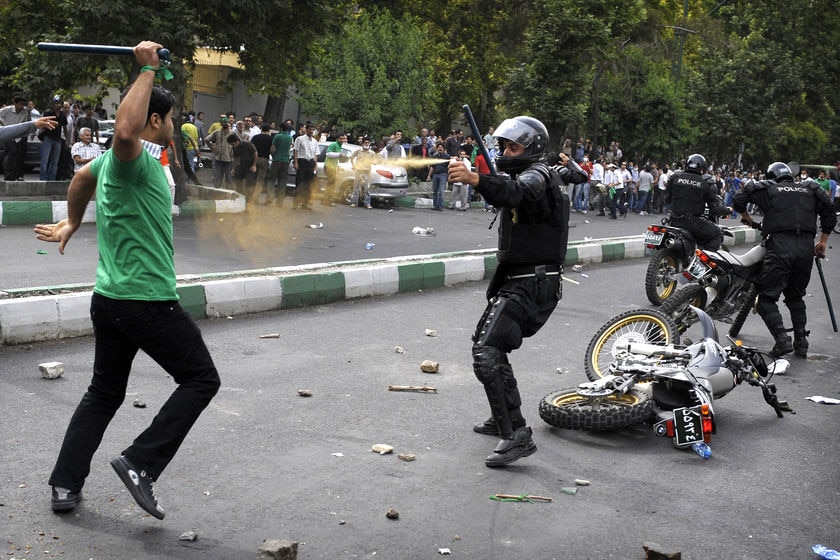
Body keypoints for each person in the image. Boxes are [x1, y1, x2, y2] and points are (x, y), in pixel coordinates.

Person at [33, 41, 220, 520]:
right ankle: (141, 462)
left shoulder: (133, 162)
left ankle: (64, 484)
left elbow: (79, 180)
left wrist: (73, 221)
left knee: (104, 392)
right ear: (155, 121)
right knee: (201, 378)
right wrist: (148, 69)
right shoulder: (130, 155)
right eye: (171, 118)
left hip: (110, 299)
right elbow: (121, 131)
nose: (175, 125)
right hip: (145, 301)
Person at [447, 115, 586, 467]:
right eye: (504, 146)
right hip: (520, 279)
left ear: (533, 148)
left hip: (533, 283)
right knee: (489, 346)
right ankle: (503, 418)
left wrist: (476, 178)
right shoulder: (523, 174)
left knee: (487, 350)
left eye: (513, 146)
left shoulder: (538, 175)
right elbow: (508, 190)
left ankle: (517, 434)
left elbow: (518, 192)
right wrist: (486, 180)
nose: (506, 152)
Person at [733, 162, 835, 358]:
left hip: (779, 247)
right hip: (806, 248)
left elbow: (740, 197)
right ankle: (801, 341)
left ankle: (782, 340)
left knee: (765, 299)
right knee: (796, 297)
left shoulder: (768, 187)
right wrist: (822, 241)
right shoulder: (811, 187)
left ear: (772, 176)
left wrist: (746, 216)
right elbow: (829, 210)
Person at [664, 154, 729, 250]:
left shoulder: (675, 177)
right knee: (717, 233)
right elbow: (715, 209)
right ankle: (703, 261)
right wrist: (728, 210)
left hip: (673, 220)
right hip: (692, 223)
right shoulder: (706, 182)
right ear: (702, 169)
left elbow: (667, 199)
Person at [0, 94, 33, 181]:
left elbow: (27, 122)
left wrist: (30, 132)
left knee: (17, 155)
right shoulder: (7, 110)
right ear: (15, 103)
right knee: (13, 151)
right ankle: (8, 174)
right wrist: (3, 124)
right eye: (20, 104)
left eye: (23, 104)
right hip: (7, 134)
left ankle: (14, 174)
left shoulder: (25, 111)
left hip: (17, 135)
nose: (22, 106)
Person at [40, 96, 69, 180]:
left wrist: (67, 140)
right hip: (48, 138)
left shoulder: (62, 115)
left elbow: (65, 128)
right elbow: (42, 124)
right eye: (57, 103)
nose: (58, 105)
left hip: (57, 140)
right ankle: (43, 178)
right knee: (44, 160)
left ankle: (51, 178)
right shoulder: (48, 113)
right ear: (53, 104)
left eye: (60, 103)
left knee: (55, 161)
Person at [293, 121, 319, 209]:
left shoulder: (315, 141)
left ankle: (305, 203)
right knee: (299, 182)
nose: (311, 131)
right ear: (306, 130)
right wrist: (295, 162)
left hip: (310, 162)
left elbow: (315, 154)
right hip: (302, 161)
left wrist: (315, 164)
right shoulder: (300, 139)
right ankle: (295, 203)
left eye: (313, 130)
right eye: (310, 129)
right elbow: (295, 150)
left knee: (308, 184)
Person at [350, 137, 379, 208]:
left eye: (368, 142)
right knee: (356, 188)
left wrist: (373, 162)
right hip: (358, 172)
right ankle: (354, 203)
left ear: (369, 143)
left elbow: (375, 162)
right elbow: (351, 158)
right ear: (363, 143)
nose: (366, 144)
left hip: (366, 172)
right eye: (365, 142)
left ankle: (367, 204)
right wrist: (353, 166)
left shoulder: (372, 153)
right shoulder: (358, 151)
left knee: (367, 189)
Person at [268, 123, 293, 205]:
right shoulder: (290, 138)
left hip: (276, 160)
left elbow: (272, 149)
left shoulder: (277, 136)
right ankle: (280, 200)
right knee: (282, 181)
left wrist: (274, 156)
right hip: (285, 161)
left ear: (281, 128)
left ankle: (269, 198)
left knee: (271, 179)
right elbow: (289, 148)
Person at [227, 133, 258, 200]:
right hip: (241, 164)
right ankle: (240, 197)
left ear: (237, 141)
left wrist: (254, 165)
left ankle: (249, 199)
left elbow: (255, 152)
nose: (233, 146)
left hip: (250, 165)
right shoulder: (234, 147)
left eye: (233, 144)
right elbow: (235, 158)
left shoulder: (247, 144)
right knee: (237, 180)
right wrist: (234, 169)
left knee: (249, 183)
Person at [205, 119, 234, 188]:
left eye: (226, 122)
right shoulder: (217, 132)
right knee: (217, 179)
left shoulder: (232, 133)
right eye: (223, 122)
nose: (225, 124)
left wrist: (233, 152)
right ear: (221, 123)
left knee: (229, 180)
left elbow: (238, 143)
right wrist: (213, 149)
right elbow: (206, 140)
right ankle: (217, 195)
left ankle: (229, 196)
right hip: (218, 160)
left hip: (229, 160)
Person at [250, 123, 273, 202]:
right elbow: (272, 150)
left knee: (252, 178)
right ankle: (255, 198)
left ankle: (249, 196)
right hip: (264, 159)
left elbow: (251, 147)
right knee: (260, 180)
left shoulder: (255, 137)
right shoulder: (271, 139)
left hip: (254, 159)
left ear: (261, 129)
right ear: (269, 130)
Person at [324, 133, 347, 206]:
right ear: (337, 139)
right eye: (341, 138)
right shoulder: (333, 144)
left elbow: (336, 159)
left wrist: (338, 166)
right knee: (331, 184)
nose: (342, 140)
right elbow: (328, 154)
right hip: (328, 166)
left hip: (333, 167)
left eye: (343, 139)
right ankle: (327, 200)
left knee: (331, 184)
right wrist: (338, 154)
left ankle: (326, 200)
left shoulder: (340, 146)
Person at [426, 142, 449, 211]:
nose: (440, 149)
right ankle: (435, 206)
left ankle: (440, 206)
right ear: (437, 149)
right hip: (435, 175)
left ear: (444, 149)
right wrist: (429, 176)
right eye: (439, 147)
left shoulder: (447, 156)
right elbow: (432, 167)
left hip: (443, 175)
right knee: (435, 191)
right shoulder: (434, 157)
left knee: (441, 191)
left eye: (441, 147)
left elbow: (450, 166)